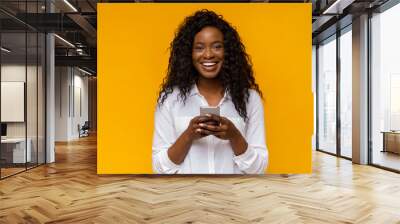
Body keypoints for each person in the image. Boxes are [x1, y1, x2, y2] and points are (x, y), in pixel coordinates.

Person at [152, 9, 268, 174]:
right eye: (199, 48)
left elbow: (258, 168)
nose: (208, 55)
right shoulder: (170, 99)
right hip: (186, 196)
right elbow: (160, 167)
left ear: (227, 52)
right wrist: (188, 135)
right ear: (189, 54)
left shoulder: (250, 99)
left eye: (216, 47)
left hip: (233, 197)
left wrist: (235, 136)